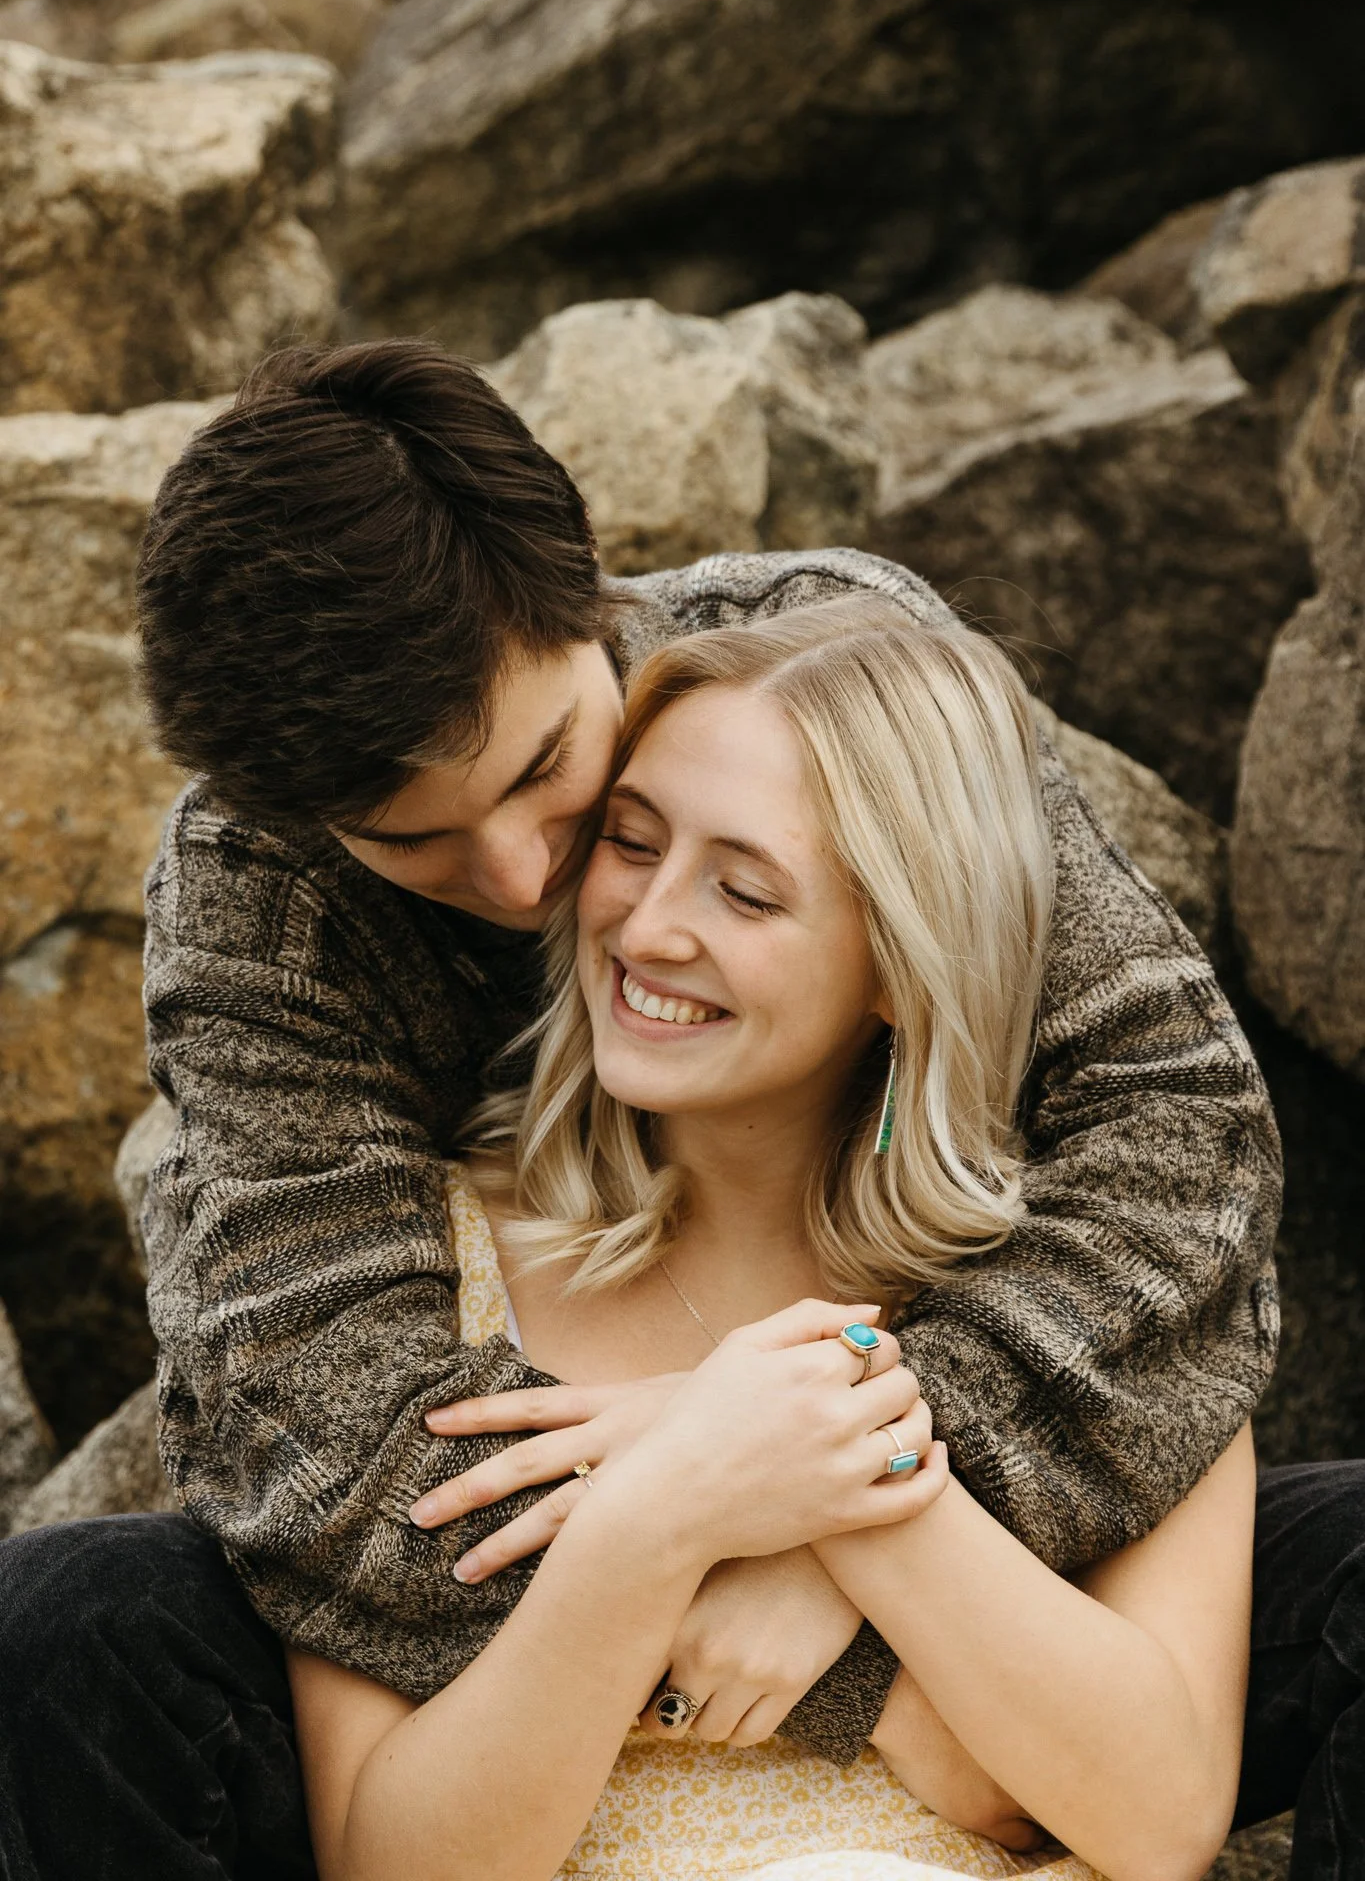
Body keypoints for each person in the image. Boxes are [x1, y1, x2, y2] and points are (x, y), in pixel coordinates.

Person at [0, 338, 1355, 1880]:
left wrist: (838, 1461)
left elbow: (1180, 1144)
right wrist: (708, 1534)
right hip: (513, 1531)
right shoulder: (259, 896)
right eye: (412, 838)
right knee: (71, 1630)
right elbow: (324, 1453)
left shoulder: (842, 690)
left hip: (952, 1412)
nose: (531, 884)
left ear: (587, 593)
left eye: (550, 774)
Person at [287, 596, 1256, 1881]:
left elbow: (1160, 1815)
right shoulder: (420, 1289)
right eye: (629, 846)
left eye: (745, 889)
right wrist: (667, 1514)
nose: (646, 927)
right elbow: (394, 1862)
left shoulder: (1089, 1299)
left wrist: (828, 1464)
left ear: (902, 963)